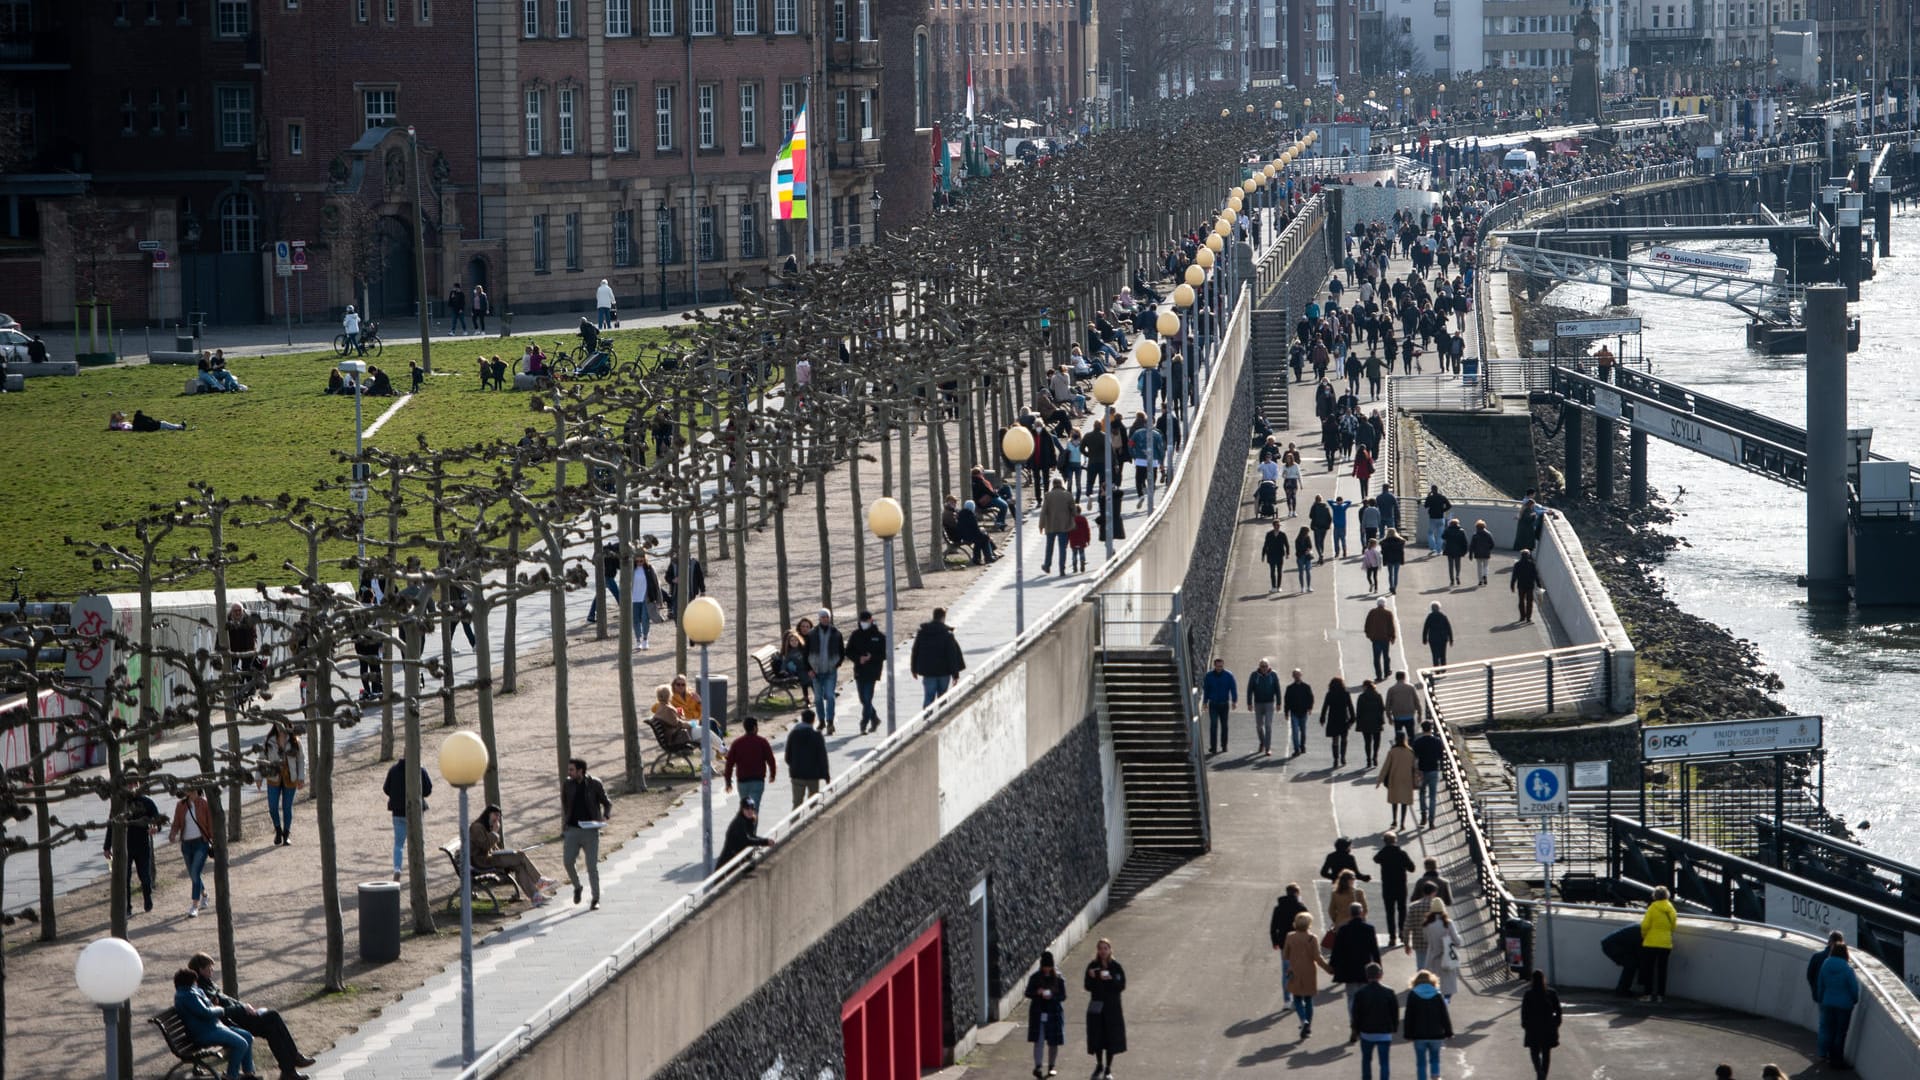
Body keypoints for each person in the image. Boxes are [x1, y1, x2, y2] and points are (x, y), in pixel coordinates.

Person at [188, 952, 316, 1080]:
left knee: (273, 1026)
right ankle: (292, 1063)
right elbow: (221, 1010)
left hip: (238, 1018)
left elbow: (228, 1002)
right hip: (232, 1024)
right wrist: (242, 1008)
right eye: (209, 967)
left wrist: (245, 1006)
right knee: (272, 1018)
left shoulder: (208, 984)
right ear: (200, 969)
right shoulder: (202, 989)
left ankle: (290, 1068)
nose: (212, 969)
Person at [173, 967, 258, 1080]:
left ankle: (248, 1073)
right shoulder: (187, 996)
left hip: (213, 1027)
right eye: (195, 981)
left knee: (247, 1036)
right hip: (204, 1033)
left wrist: (214, 1007)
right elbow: (205, 1012)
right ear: (190, 982)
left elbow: (206, 1009)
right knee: (241, 1044)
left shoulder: (190, 992)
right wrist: (220, 1009)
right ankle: (231, 1076)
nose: (196, 983)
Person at [468, 804, 558, 906]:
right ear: (488, 814)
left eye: (499, 816)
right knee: (520, 856)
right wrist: (494, 833)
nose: (497, 818)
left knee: (519, 865)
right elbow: (485, 846)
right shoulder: (476, 827)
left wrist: (504, 852)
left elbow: (491, 847)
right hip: (481, 862)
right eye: (495, 815)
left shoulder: (486, 826)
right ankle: (539, 881)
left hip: (489, 858)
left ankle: (535, 897)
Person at [106, 775, 161, 915]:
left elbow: (157, 818)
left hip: (142, 845)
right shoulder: (119, 804)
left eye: (134, 783)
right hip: (124, 847)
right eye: (128, 784)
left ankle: (147, 898)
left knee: (145, 876)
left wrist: (156, 827)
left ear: (138, 784)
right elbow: (111, 825)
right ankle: (127, 907)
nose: (131, 787)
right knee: (125, 878)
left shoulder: (147, 802)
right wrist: (107, 846)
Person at [561, 758, 611, 907]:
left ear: (580, 771)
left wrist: (605, 815)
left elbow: (606, 802)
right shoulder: (567, 784)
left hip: (590, 831)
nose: (569, 773)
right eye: (569, 770)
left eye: (571, 770)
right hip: (572, 830)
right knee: (568, 862)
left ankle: (595, 899)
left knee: (592, 867)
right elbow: (565, 805)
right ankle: (577, 887)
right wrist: (565, 826)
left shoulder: (595, 783)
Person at [1283, 911, 1334, 1039]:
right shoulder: (1312, 938)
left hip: (1295, 970)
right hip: (1309, 971)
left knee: (1297, 998)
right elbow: (1317, 957)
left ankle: (1302, 1020)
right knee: (1308, 999)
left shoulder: (1290, 936)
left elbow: (1285, 955)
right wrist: (1328, 969)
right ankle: (1308, 1026)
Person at [1083, 939, 1128, 1078]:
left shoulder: (1116, 967)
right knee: (1097, 1037)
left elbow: (1121, 986)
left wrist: (1111, 979)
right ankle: (1099, 1064)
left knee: (1111, 1038)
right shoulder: (1093, 966)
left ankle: (1108, 1068)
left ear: (1110, 950)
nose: (1103, 951)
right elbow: (1087, 986)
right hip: (1097, 1007)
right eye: (1100, 948)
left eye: (1105, 948)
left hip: (1112, 1008)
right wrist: (1091, 977)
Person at [168, 785, 214, 918]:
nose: (191, 792)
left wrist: (212, 839)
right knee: (194, 875)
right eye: (189, 790)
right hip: (186, 844)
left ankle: (194, 905)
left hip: (201, 842)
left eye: (193, 790)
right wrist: (173, 833)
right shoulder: (181, 805)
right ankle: (204, 894)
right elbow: (176, 822)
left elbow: (210, 822)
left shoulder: (204, 803)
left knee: (195, 871)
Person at [257, 722, 306, 847]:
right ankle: (278, 830)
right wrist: (259, 777)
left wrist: (301, 778)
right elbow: (261, 758)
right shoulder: (269, 740)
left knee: (287, 807)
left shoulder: (295, 740)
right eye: (278, 725)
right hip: (273, 777)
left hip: (291, 778)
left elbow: (301, 759)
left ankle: (286, 834)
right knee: (273, 806)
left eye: (283, 725)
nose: (281, 728)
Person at [1336, 929, 1387, 1048]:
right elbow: (1374, 950)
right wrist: (1378, 967)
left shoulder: (1344, 931)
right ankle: (1363, 1025)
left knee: (1351, 998)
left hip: (1350, 971)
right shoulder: (1368, 929)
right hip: (1365, 971)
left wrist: (1335, 966)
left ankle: (1354, 1023)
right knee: (1365, 999)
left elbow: (1338, 951)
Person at [1402, 968, 1454, 1080]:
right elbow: (1444, 1015)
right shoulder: (1437, 995)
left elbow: (1409, 1016)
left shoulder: (1413, 995)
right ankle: (1435, 1077)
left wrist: (1408, 1034)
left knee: (1421, 1063)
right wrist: (1448, 1032)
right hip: (1436, 1034)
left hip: (1419, 1035)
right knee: (1435, 1059)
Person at [1816, 941, 1861, 1068]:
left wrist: (1821, 998)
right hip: (1844, 1005)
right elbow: (1853, 988)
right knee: (1840, 1033)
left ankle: (1828, 1056)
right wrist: (1854, 1000)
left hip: (1828, 1002)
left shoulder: (1825, 964)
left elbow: (1821, 984)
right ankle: (1837, 1060)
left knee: (1828, 1029)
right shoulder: (1847, 969)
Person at [1025, 951, 1069, 1078]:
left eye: (1049, 967)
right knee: (1039, 1040)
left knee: (1053, 1042)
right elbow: (1028, 993)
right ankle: (1038, 1066)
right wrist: (1037, 993)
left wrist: (1052, 996)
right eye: (1045, 966)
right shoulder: (1035, 977)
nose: (1047, 969)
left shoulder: (1059, 978)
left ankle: (1051, 1066)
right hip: (1038, 1012)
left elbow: (1063, 996)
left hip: (1054, 1012)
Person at [910, 608, 966, 706]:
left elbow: (915, 651)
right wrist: (955, 674)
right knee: (943, 697)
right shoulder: (947, 634)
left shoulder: (923, 632)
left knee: (928, 697)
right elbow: (952, 655)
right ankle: (941, 718)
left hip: (928, 672)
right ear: (943, 617)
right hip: (943, 672)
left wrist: (913, 669)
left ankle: (927, 719)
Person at [806, 608, 846, 734]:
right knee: (818, 698)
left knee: (830, 696)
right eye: (822, 617)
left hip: (830, 671)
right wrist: (809, 669)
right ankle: (821, 721)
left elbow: (841, 651)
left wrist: (837, 664)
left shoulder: (836, 633)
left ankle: (830, 722)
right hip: (815, 672)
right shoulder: (811, 634)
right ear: (819, 618)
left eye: (827, 617)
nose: (825, 619)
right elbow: (805, 653)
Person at [1374, 831, 1417, 947]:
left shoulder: (1383, 853)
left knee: (1390, 912)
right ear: (1395, 840)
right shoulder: (1401, 853)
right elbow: (1412, 868)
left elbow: (1376, 859)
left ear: (1384, 841)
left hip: (1387, 886)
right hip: (1401, 886)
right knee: (1402, 910)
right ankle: (1402, 934)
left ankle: (1392, 937)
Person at [846, 611, 887, 735]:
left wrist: (871, 657)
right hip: (859, 671)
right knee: (863, 699)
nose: (864, 623)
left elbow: (884, 654)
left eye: (866, 621)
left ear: (871, 620)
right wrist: (859, 658)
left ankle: (863, 723)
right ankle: (874, 718)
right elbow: (848, 651)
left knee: (868, 698)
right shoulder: (855, 635)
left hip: (873, 672)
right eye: (862, 621)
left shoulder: (879, 636)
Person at [724, 716, 778, 806]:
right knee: (753, 809)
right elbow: (770, 759)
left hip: (742, 782)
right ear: (755, 728)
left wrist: (728, 782)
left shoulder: (737, 743)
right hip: (757, 781)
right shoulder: (762, 742)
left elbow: (729, 764)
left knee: (745, 809)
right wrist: (772, 774)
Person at [1520, 969, 1563, 1080]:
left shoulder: (1528, 994)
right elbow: (1558, 1010)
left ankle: (1539, 1070)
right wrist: (1556, 1023)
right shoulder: (1551, 993)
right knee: (1546, 1053)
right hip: (1548, 1027)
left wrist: (1525, 1025)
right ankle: (1543, 1075)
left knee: (1534, 1052)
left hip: (1533, 1027)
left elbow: (1524, 1012)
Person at [1639, 885, 1678, 1003]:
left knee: (1649, 970)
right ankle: (1661, 995)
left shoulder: (1652, 908)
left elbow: (1645, 925)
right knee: (1662, 970)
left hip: (1650, 942)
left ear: (1655, 896)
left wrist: (1644, 936)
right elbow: (1673, 926)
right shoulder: (1671, 909)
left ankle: (1648, 994)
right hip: (1665, 943)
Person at [784, 708, 830, 805]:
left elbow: (787, 756)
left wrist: (794, 765)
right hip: (813, 775)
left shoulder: (793, 734)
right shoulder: (817, 736)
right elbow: (822, 757)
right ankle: (812, 820)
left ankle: (795, 820)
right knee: (813, 803)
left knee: (796, 803)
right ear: (813, 720)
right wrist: (826, 775)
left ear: (802, 719)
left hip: (797, 774)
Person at [717, 795, 772, 867]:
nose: (750, 811)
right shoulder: (739, 822)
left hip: (739, 860)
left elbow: (752, 836)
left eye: (752, 808)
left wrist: (766, 841)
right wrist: (765, 842)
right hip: (728, 863)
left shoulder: (749, 820)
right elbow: (746, 840)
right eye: (747, 808)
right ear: (742, 809)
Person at [1379, 734, 1418, 831]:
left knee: (1395, 801)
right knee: (1404, 802)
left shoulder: (1392, 751)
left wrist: (1380, 779)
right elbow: (1414, 767)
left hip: (1394, 779)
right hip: (1407, 779)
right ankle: (1402, 823)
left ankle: (1394, 820)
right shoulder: (1410, 752)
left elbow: (1386, 766)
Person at [1411, 722, 1447, 828]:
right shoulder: (1437, 741)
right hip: (1433, 770)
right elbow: (1441, 756)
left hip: (1422, 770)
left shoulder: (1418, 742)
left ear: (1422, 729)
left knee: (1422, 793)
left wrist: (1415, 770)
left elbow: (1414, 757)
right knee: (1432, 797)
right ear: (1431, 729)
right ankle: (1431, 820)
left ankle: (1423, 815)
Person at [1423, 906, 1462, 1001]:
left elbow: (1426, 939)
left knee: (1434, 987)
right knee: (1447, 989)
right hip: (1447, 958)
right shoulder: (1448, 923)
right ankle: (1445, 1006)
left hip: (1432, 959)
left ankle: (1436, 1008)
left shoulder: (1427, 924)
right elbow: (1457, 941)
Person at [1202, 657, 1238, 755]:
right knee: (1213, 726)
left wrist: (1234, 701)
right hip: (1213, 704)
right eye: (1218, 666)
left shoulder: (1228, 675)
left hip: (1224, 704)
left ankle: (1224, 745)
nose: (1219, 668)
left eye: (1221, 666)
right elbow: (1206, 690)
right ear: (1214, 665)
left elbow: (1233, 688)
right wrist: (1205, 702)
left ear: (1223, 665)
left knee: (1224, 726)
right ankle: (1213, 747)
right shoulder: (1209, 676)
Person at [1040, 478, 1076, 574]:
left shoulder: (1048, 495)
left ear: (1053, 484)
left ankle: (1047, 566)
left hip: (1050, 526)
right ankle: (1062, 569)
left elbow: (1044, 511)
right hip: (1064, 526)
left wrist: (1041, 525)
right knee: (1062, 548)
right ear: (1061, 484)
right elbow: (1074, 511)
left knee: (1049, 547)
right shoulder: (1068, 495)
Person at [1248, 658, 1281, 757]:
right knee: (1259, 726)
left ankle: (1268, 748)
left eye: (1266, 666)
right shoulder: (1254, 675)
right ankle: (1262, 742)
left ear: (1269, 666)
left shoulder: (1273, 675)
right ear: (1259, 666)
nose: (1264, 668)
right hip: (1258, 703)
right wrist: (1249, 703)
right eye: (1262, 666)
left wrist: (1279, 703)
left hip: (1269, 703)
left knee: (1268, 725)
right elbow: (1250, 690)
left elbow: (1277, 689)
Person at [1319, 676, 1354, 767]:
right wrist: (1352, 720)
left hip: (1333, 719)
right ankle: (1343, 757)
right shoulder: (1346, 694)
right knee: (1344, 739)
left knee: (1335, 740)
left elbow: (1325, 707)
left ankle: (1335, 759)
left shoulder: (1330, 694)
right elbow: (1350, 707)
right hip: (1343, 719)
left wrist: (1322, 718)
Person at [1282, 668, 1315, 759]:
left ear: (1301, 675)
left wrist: (1310, 708)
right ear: (1293, 676)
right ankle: (1296, 749)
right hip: (1294, 713)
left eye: (1298, 674)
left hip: (1303, 712)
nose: (1297, 676)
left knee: (1303, 731)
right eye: (1295, 674)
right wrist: (1286, 712)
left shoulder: (1306, 687)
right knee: (1295, 732)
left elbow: (1311, 698)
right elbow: (1287, 701)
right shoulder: (1290, 688)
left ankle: (1302, 746)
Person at [1364, 598, 1396, 681]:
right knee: (1386, 656)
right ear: (1384, 604)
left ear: (1377, 604)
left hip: (1375, 639)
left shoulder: (1372, 612)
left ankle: (1378, 676)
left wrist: (1368, 635)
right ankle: (1386, 672)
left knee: (1376, 658)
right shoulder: (1388, 613)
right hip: (1385, 639)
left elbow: (1367, 624)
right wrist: (1393, 637)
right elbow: (1391, 626)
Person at [1386, 671, 1420, 742]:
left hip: (1397, 716)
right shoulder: (1411, 687)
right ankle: (1411, 749)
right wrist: (1420, 713)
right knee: (1411, 735)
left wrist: (1389, 717)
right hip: (1409, 715)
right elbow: (1416, 701)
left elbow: (1387, 704)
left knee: (1398, 736)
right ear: (1404, 677)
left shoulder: (1391, 689)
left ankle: (1399, 749)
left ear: (1396, 678)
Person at [1420, 602, 1454, 669]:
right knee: (1443, 654)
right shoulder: (1443, 616)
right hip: (1442, 638)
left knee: (1435, 654)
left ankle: (1436, 669)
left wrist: (1424, 639)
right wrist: (1451, 639)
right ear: (1439, 608)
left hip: (1433, 639)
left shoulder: (1430, 617)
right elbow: (1448, 628)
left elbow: (1426, 628)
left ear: (1431, 609)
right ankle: (1443, 668)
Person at [1512, 548, 1541, 623]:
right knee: (1529, 602)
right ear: (1528, 556)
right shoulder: (1531, 564)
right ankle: (1528, 618)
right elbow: (1535, 575)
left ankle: (1522, 617)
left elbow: (1514, 576)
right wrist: (1539, 584)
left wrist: (1512, 585)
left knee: (1521, 601)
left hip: (1521, 585)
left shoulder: (1517, 564)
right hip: (1529, 586)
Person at [1262, 519, 1290, 592]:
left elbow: (1287, 545)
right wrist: (1263, 555)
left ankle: (1279, 587)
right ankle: (1273, 587)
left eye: (1279, 525)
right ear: (1274, 526)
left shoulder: (1282, 534)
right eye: (1277, 525)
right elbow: (1265, 545)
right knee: (1272, 571)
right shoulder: (1269, 534)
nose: (1278, 527)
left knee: (1279, 571)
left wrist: (1287, 553)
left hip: (1280, 555)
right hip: (1271, 555)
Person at [1423, 486, 1453, 554]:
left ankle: (1433, 548)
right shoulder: (1442, 497)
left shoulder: (1430, 497)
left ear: (1431, 490)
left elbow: (1425, 506)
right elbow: (1449, 506)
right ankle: (1439, 550)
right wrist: (1443, 510)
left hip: (1432, 518)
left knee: (1430, 533)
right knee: (1440, 535)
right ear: (1437, 490)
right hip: (1441, 518)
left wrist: (1428, 497)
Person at [1440, 518, 1468, 586]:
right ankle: (1457, 576)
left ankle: (1452, 580)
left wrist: (1447, 528)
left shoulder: (1448, 530)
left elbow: (1443, 536)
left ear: (1451, 524)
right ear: (1458, 524)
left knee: (1451, 566)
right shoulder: (1462, 531)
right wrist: (1465, 551)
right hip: (1458, 551)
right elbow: (1465, 542)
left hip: (1449, 550)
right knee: (1457, 565)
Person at [1468, 519, 1496, 587]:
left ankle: (1480, 581)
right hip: (1486, 553)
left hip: (1478, 553)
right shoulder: (1488, 534)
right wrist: (1488, 549)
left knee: (1479, 567)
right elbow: (1492, 544)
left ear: (1477, 527)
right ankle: (1485, 576)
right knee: (1485, 566)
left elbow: (1472, 546)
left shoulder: (1475, 535)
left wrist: (1471, 554)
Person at [1068, 503, 1091, 572]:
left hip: (1073, 539)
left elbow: (1068, 530)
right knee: (1081, 552)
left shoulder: (1070, 520)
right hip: (1082, 539)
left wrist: (1068, 539)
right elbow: (1087, 530)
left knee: (1074, 553)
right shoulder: (1083, 519)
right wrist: (1088, 539)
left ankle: (1074, 565)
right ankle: (1082, 562)